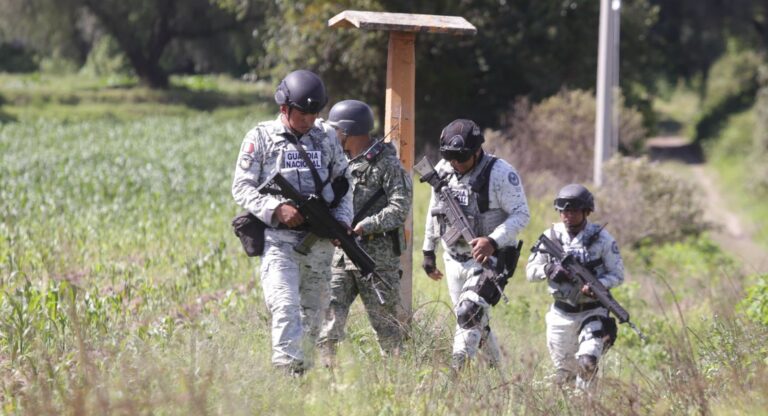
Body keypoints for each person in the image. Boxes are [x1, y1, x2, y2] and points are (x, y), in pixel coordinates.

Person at [231, 69, 352, 375]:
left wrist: (342, 221)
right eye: (303, 114)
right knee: (284, 306)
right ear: (284, 108)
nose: (310, 120)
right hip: (279, 240)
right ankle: (285, 375)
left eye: (315, 113)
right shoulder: (260, 137)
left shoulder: (326, 136)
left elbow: (344, 179)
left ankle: (302, 376)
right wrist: (275, 209)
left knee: (313, 316)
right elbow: (241, 187)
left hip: (319, 242)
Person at [421, 119, 530, 370]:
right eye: (451, 159)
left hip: (491, 260)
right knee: (475, 321)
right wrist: (429, 250)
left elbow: (522, 214)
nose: (456, 165)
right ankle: (497, 373)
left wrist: (493, 240)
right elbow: (434, 210)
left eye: (461, 159)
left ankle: (456, 373)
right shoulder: (444, 169)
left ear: (477, 151)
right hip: (453, 257)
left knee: (467, 312)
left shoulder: (501, 174)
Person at [317, 100, 412, 362]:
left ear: (347, 131)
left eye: (336, 129)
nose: (332, 135)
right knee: (328, 321)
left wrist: (365, 226)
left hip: (377, 260)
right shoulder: (337, 162)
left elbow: (399, 208)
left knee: (387, 328)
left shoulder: (388, 165)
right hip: (340, 256)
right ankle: (327, 377)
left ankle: (395, 381)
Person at [525, 184, 624, 389]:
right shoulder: (551, 237)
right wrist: (548, 269)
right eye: (564, 211)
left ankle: (587, 407)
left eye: (574, 211)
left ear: (586, 211)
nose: (568, 215)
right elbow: (530, 272)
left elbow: (617, 275)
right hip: (561, 314)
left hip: (593, 311)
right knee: (564, 377)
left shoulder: (603, 239)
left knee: (587, 364)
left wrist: (598, 285)